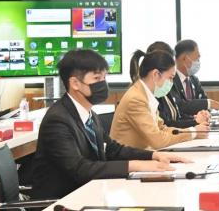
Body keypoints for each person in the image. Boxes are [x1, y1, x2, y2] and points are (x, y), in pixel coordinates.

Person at [31, 49, 176, 200]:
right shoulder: (58, 120)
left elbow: (113, 149)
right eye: (97, 78)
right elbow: (80, 169)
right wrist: (135, 165)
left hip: (90, 192)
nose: (103, 83)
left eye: (104, 77)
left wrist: (153, 155)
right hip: (61, 203)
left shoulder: (90, 114)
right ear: (75, 83)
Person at [112, 49, 208, 152]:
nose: (171, 83)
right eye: (170, 78)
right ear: (156, 74)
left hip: (141, 154)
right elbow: (158, 140)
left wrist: (192, 132)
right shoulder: (136, 99)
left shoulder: (145, 95)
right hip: (127, 159)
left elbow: (162, 129)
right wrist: (193, 132)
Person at [139, 42, 210, 130]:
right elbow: (166, 125)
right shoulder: (145, 96)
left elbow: (177, 115)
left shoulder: (164, 88)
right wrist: (194, 125)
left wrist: (195, 118)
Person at [170, 39, 219, 115]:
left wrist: (206, 112)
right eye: (197, 58)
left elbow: (204, 102)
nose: (198, 62)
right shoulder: (170, 80)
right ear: (184, 58)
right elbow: (180, 106)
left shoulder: (194, 80)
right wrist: (208, 103)